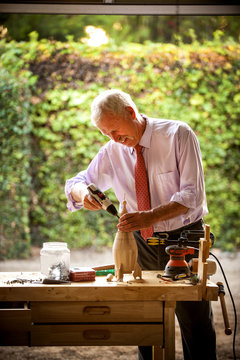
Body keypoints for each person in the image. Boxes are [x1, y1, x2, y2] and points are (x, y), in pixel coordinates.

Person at [65, 89, 216, 360]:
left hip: (184, 238)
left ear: (131, 113)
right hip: (141, 242)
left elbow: (192, 196)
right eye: (104, 134)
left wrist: (149, 216)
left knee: (193, 318)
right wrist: (83, 194)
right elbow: (76, 181)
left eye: (114, 130)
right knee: (145, 319)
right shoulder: (113, 149)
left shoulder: (178, 134)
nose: (113, 139)